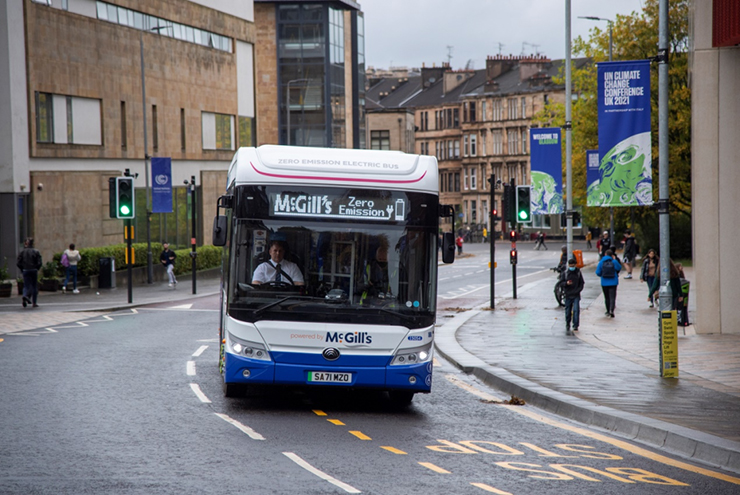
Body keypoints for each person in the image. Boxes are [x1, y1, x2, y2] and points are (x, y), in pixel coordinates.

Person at [17, 237, 42, 308]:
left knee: (26, 285)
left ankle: (25, 295)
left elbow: (18, 262)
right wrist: (37, 268)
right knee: (34, 286)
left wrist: (22, 269)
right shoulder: (36, 251)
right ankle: (34, 302)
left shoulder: (22, 252)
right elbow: (39, 262)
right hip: (33, 269)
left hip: (25, 270)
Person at [596, 249, 621, 318]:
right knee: (612, 297)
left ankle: (607, 310)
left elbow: (598, 272)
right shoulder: (614, 261)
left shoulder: (601, 262)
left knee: (606, 297)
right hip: (613, 282)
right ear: (612, 255)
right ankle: (612, 310)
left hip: (604, 282)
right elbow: (619, 267)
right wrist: (615, 259)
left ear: (605, 254)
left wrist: (602, 275)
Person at [561, 257, 585, 331]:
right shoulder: (565, 273)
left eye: (573, 266)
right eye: (570, 266)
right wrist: (566, 283)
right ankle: (568, 323)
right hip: (568, 294)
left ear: (575, 265)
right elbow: (561, 283)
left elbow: (582, 283)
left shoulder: (578, 273)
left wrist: (578, 290)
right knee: (568, 310)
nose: (571, 267)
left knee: (576, 310)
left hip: (576, 294)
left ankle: (575, 325)